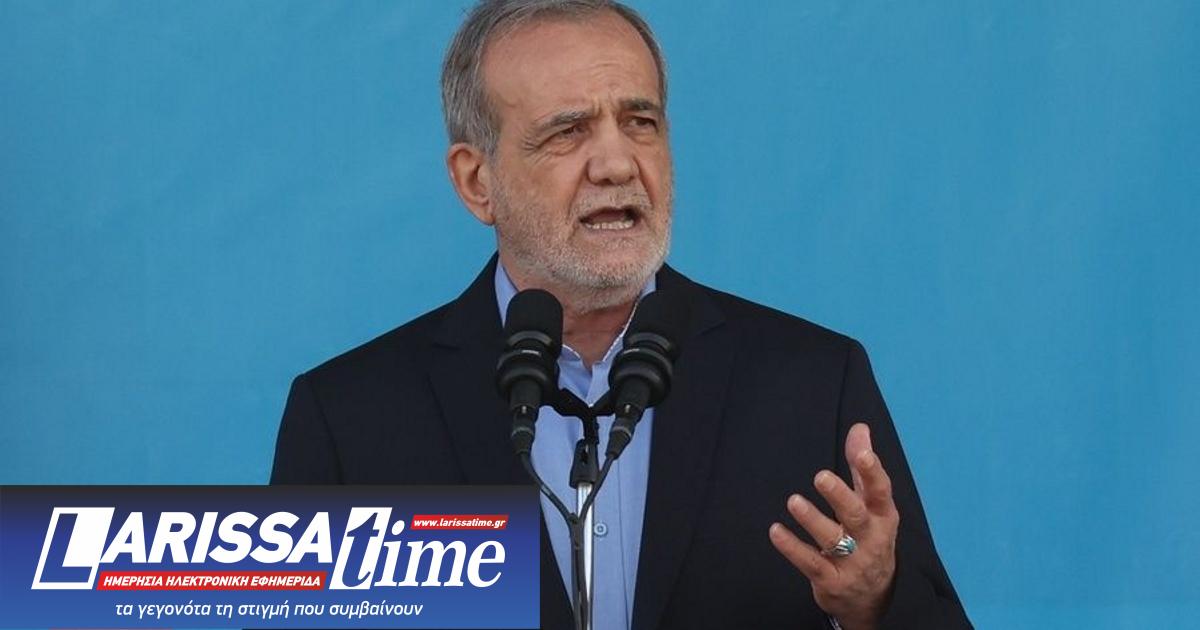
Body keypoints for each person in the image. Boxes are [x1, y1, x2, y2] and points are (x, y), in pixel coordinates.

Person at [271, 1, 972, 628]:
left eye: (640, 123)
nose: (616, 163)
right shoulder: (348, 418)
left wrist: (874, 604)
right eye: (568, 131)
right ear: (477, 181)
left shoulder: (813, 383)